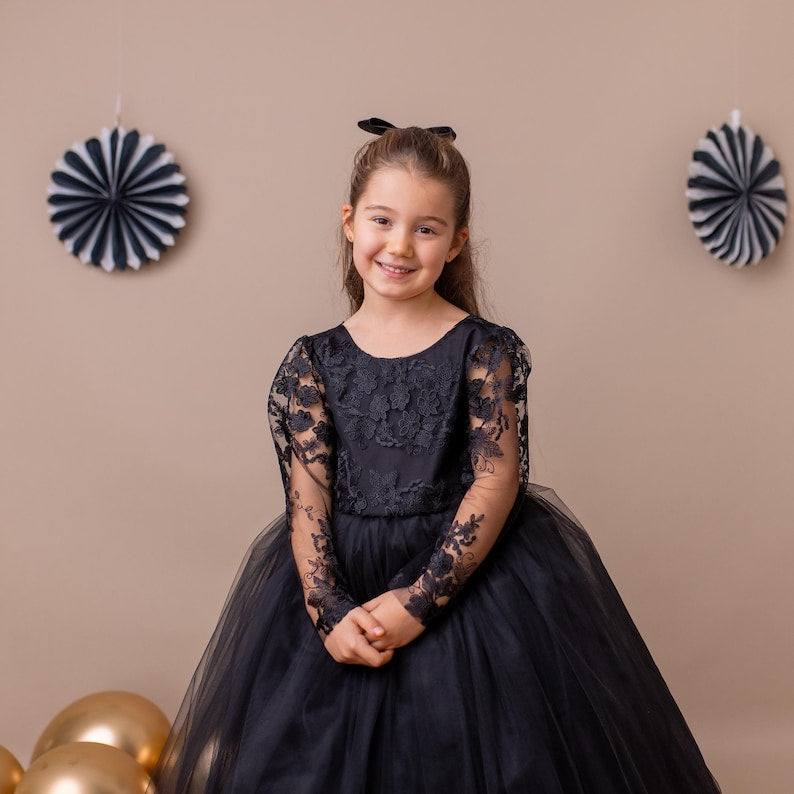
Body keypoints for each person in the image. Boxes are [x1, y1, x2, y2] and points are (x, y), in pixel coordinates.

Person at [150, 119, 721, 793]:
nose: (399, 244)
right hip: (344, 584)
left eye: (426, 228)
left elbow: (497, 480)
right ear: (349, 222)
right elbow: (307, 501)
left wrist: (419, 602)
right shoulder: (314, 361)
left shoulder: (485, 350)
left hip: (468, 582)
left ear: (456, 242)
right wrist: (330, 611)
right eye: (382, 220)